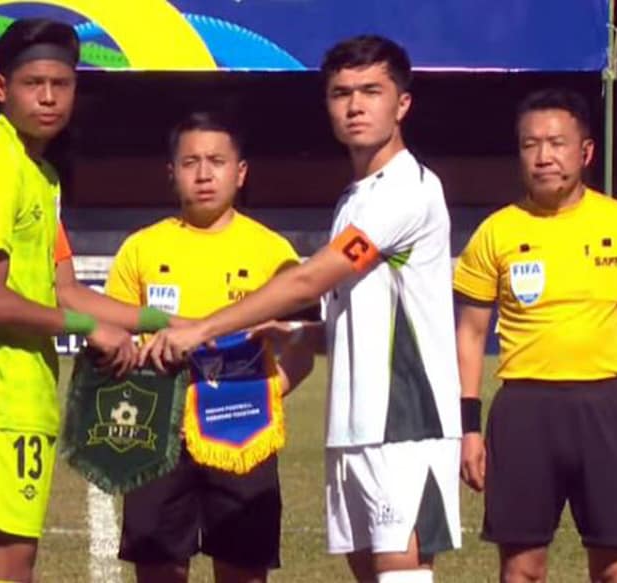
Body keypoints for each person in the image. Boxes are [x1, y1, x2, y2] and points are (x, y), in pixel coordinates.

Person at [141, 36, 463, 583]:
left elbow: (312, 279)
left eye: (371, 91)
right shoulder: (357, 196)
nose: (355, 106)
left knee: (403, 574)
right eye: (342, 93)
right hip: (353, 422)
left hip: (405, 419)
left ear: (402, 104)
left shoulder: (405, 192)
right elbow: (346, 316)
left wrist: (204, 328)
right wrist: (293, 334)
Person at [0, 18, 176, 582]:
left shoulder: (36, 172)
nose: (48, 97)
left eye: (61, 84)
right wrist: (85, 328)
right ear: (1, 89)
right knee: (6, 567)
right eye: (33, 83)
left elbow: (66, 288)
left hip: (21, 396)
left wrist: (166, 320)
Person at [454, 88, 617, 583]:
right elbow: (470, 335)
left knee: (615, 570)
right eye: (529, 144)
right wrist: (469, 427)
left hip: (605, 408)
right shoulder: (496, 233)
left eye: (556, 143)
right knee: (522, 569)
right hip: (523, 412)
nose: (543, 157)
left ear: (585, 152)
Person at [107, 111, 314, 583]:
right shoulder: (141, 249)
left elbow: (301, 342)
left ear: (240, 172)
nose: (204, 174)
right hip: (158, 436)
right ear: (171, 173)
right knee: (159, 568)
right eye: (191, 162)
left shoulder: (271, 251)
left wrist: (271, 390)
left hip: (243, 435)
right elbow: (113, 333)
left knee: (243, 570)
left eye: (217, 161)